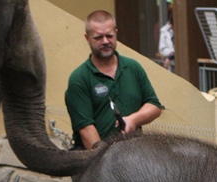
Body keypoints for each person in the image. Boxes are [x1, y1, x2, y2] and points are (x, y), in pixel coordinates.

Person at [65, 10, 163, 150]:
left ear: (116, 33)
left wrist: (134, 119)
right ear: (87, 38)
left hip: (134, 155)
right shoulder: (79, 78)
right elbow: (86, 129)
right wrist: (105, 161)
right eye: (98, 37)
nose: (105, 41)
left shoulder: (133, 68)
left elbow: (154, 106)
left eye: (109, 36)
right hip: (95, 159)